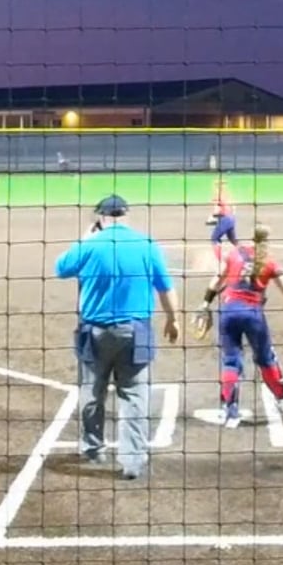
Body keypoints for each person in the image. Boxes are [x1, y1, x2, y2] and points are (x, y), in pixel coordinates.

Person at [53, 194, 181, 481]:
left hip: (95, 331)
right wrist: (173, 319)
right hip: (136, 331)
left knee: (91, 391)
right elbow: (165, 288)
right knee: (134, 395)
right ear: (126, 215)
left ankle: (93, 449)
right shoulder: (147, 245)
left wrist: (85, 239)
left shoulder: (90, 245)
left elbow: (61, 269)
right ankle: (132, 461)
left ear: (100, 217)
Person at [200, 225, 283, 427]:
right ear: (266, 241)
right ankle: (282, 397)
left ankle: (230, 409)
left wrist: (205, 304)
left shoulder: (235, 254)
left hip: (228, 312)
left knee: (231, 361)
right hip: (253, 315)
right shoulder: (269, 262)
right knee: (265, 358)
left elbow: (216, 280)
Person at [206, 175, 238, 264]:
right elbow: (234, 208)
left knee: (214, 239)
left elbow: (216, 210)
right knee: (233, 240)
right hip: (232, 219)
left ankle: (220, 262)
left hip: (225, 219)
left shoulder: (218, 197)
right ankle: (244, 255)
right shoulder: (228, 196)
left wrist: (211, 218)